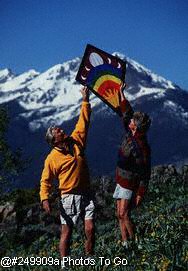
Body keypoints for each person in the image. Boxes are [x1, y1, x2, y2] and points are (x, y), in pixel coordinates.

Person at [39, 86, 95, 261]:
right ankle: (65, 264)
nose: (63, 131)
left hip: (86, 192)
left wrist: (85, 99)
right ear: (54, 140)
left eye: (61, 130)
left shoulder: (76, 141)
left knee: (90, 228)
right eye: (59, 132)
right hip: (68, 197)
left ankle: (89, 259)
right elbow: (45, 181)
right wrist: (45, 198)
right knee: (67, 232)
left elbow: (83, 121)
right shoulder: (52, 159)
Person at [113, 83, 151, 249]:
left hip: (130, 183)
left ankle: (135, 243)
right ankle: (125, 243)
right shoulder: (130, 133)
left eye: (133, 121)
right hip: (120, 180)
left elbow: (145, 172)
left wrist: (140, 193)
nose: (129, 121)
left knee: (124, 213)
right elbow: (126, 112)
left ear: (137, 126)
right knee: (119, 214)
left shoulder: (142, 147)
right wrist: (121, 93)